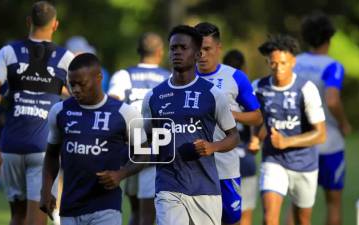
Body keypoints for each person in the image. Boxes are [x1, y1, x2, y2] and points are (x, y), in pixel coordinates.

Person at [142, 25, 239, 225]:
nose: (177, 52)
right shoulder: (153, 97)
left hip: (205, 189)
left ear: (197, 54)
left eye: (183, 48)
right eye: (173, 48)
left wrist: (212, 147)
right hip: (168, 186)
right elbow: (146, 142)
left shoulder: (213, 95)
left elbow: (233, 136)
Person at [39, 53, 148, 225]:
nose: (75, 89)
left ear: (98, 78)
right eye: (71, 83)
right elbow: (52, 155)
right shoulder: (59, 111)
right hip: (69, 208)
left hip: (106, 208)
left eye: (81, 84)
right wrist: (45, 190)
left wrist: (121, 174)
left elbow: (143, 155)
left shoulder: (125, 113)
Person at [0, 2, 74, 225]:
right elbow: (80, 97)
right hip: (43, 149)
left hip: (10, 145)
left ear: (29, 21)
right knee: (36, 220)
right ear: (55, 25)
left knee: (17, 216)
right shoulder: (65, 57)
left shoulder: (8, 52)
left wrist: (7, 102)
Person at [255, 34, 326, 225]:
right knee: (270, 218)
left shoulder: (306, 89)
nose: (278, 69)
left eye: (284, 63)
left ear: (293, 61)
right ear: (268, 62)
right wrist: (256, 137)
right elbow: (259, 118)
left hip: (305, 164)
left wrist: (287, 142)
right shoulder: (259, 88)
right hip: (273, 160)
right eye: (273, 63)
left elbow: (320, 134)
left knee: (302, 220)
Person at [195, 22, 261, 225]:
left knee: (231, 220)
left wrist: (231, 114)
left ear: (218, 48)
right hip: (194, 166)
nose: (202, 55)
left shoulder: (235, 77)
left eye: (207, 49)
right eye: (198, 50)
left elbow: (257, 116)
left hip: (226, 165)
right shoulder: (183, 77)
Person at [292, 12, 351, 225]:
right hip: (329, 141)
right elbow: (333, 100)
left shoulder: (294, 63)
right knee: (333, 202)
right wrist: (344, 123)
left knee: (296, 206)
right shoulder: (332, 65)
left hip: (298, 140)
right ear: (329, 37)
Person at [108, 32, 170, 225]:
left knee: (136, 210)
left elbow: (111, 106)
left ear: (138, 51)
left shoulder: (124, 75)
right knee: (147, 215)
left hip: (131, 149)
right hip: (156, 150)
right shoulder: (169, 78)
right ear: (160, 52)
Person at [223, 49, 259, 225]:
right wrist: (256, 139)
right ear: (244, 67)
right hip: (245, 159)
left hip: (222, 158)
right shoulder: (248, 91)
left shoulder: (216, 92)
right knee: (244, 217)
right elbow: (259, 121)